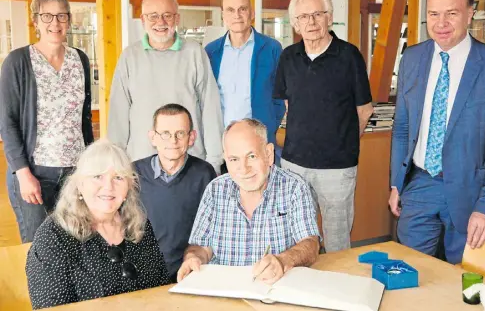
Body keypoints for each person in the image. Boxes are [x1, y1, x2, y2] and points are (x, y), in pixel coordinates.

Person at [389, 0, 485, 264]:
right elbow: (403, 128)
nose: (441, 23)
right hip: (420, 185)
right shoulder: (411, 58)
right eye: (433, 14)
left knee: (466, 286)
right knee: (410, 275)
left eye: (452, 13)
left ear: (470, 12)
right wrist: (397, 183)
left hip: (474, 192)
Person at [273, 0, 373, 252]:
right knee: (295, 238)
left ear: (329, 18)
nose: (311, 22)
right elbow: (288, 105)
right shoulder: (288, 57)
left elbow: (364, 110)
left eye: (318, 14)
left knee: (337, 241)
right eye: (303, 16)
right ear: (295, 24)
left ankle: (338, 290)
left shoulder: (350, 56)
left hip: (337, 168)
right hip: (294, 165)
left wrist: (341, 141)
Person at [25, 139, 169, 309]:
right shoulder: (53, 236)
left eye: (118, 177)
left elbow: (160, 289)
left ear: (129, 186)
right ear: (80, 184)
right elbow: (51, 307)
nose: (108, 186)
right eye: (97, 176)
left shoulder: (138, 225)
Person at [0, 0, 94, 243]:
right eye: (47, 16)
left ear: (69, 20)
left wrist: (90, 166)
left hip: (75, 173)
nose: (55, 23)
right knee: (39, 246)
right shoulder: (18, 61)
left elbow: (83, 119)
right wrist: (23, 173)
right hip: (35, 174)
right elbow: (6, 122)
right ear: (35, 20)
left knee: (77, 243)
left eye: (62, 16)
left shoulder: (80, 60)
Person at [177, 119, 320, 284]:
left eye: (251, 156)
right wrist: (193, 258)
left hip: (274, 290)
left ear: (269, 154)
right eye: (234, 159)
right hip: (224, 291)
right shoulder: (215, 190)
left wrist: (283, 260)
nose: (244, 169)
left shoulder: (293, 188)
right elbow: (201, 247)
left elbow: (310, 244)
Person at [108, 0, 223, 174]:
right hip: (140, 163)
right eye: (153, 16)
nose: (160, 22)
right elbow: (118, 114)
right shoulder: (130, 56)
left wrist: (214, 160)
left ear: (176, 18)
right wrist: (115, 161)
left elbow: (210, 108)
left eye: (167, 15)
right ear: (143, 20)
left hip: (189, 161)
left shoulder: (195, 53)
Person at [133, 103, 216, 282]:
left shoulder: (204, 173)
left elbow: (213, 228)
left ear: (191, 137)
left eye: (180, 133)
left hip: (189, 271)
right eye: (165, 134)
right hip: (141, 274)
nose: (173, 141)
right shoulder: (133, 173)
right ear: (153, 138)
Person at [205, 0, 285, 167]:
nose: (237, 15)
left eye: (243, 9)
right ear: (223, 15)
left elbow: (280, 95)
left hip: (259, 142)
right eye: (231, 10)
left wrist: (270, 126)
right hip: (224, 144)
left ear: (252, 13)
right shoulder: (211, 51)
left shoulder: (272, 48)